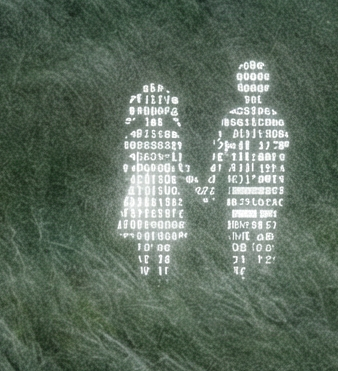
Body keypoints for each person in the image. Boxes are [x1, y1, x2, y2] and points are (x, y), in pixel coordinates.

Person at [206, 60, 289, 277]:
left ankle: (258, 277)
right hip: (244, 188)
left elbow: (280, 158)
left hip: (261, 188)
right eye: (248, 81)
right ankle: (246, 276)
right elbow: (221, 154)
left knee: (261, 235)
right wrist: (211, 184)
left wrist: (278, 188)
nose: (252, 86)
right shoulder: (237, 118)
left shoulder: (271, 119)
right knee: (244, 235)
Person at [117, 83, 205, 276]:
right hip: (148, 187)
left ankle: (157, 274)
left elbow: (128, 169)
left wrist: (198, 187)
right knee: (149, 234)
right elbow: (127, 167)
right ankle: (150, 274)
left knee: (157, 235)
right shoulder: (140, 136)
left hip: (155, 187)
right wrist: (198, 187)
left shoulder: (159, 136)